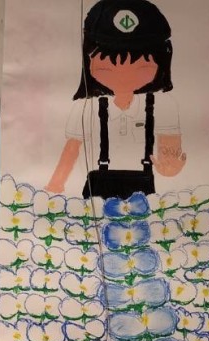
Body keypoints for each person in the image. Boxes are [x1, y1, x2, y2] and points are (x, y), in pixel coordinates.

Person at [46, 0, 187, 199]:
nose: (124, 75)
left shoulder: (164, 105)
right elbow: (71, 150)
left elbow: (169, 155)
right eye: (108, 67)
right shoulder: (86, 106)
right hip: (97, 199)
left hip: (143, 199)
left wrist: (171, 168)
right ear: (88, 61)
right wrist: (54, 186)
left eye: (141, 67)